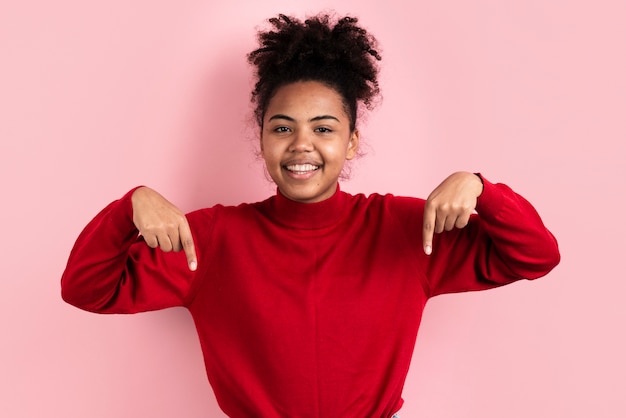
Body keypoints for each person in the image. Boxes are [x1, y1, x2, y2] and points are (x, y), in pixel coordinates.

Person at [61, 13, 560, 418]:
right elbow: (88, 289)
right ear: (261, 137)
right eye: (282, 128)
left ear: (351, 141)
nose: (302, 144)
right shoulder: (213, 238)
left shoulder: (406, 230)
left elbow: (536, 256)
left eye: (323, 128)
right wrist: (129, 208)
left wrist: (481, 188)